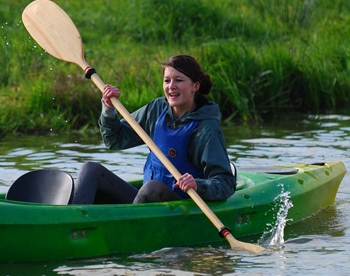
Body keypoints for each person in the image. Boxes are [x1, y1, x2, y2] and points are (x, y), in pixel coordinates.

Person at [72, 54, 236, 205]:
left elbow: (226, 184)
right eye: (167, 80)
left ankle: (130, 222)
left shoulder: (207, 129)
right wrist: (108, 109)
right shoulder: (156, 109)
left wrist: (198, 185)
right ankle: (74, 219)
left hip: (181, 206)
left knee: (152, 188)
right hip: (145, 203)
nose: (171, 86)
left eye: (178, 80)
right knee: (91, 170)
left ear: (195, 86)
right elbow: (114, 140)